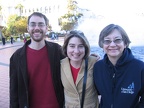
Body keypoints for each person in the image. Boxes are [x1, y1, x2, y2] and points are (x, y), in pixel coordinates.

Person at [10, 12, 65, 108]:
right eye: (33, 24)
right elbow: (14, 91)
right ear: (28, 28)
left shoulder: (58, 51)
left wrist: (90, 57)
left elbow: (75, 60)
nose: (36, 28)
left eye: (41, 24)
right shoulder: (17, 57)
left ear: (46, 28)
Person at [93, 24, 144, 108]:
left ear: (125, 43)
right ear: (102, 45)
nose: (112, 45)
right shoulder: (98, 67)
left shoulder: (139, 67)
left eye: (117, 40)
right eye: (107, 41)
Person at [61, 30, 99, 108]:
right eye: (72, 46)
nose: (76, 51)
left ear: (85, 48)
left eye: (80, 46)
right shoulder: (60, 65)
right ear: (66, 47)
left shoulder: (94, 62)